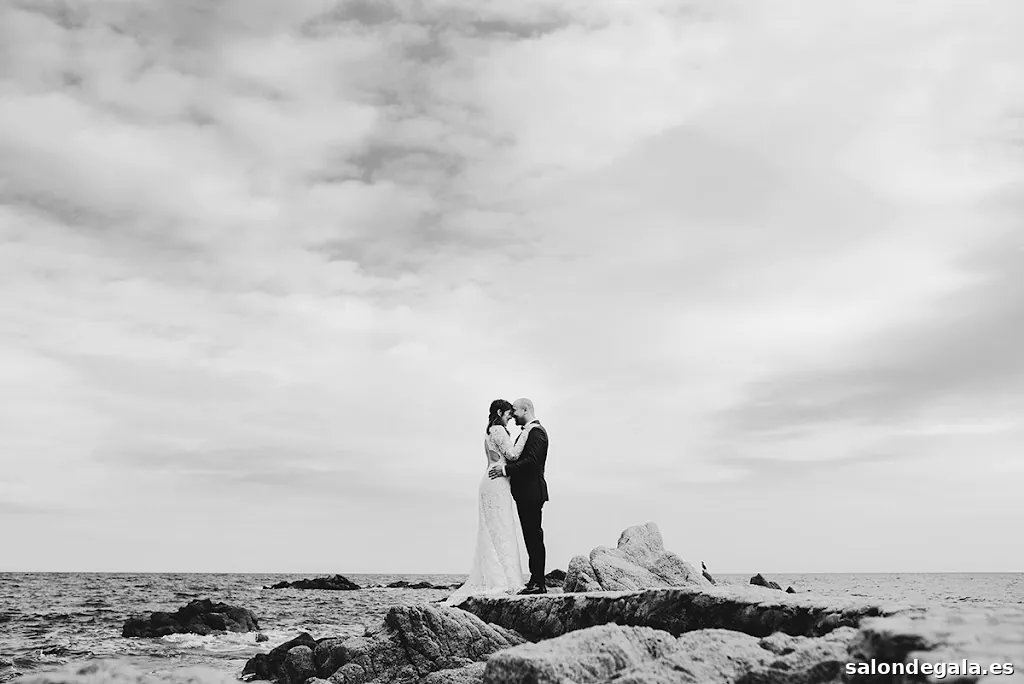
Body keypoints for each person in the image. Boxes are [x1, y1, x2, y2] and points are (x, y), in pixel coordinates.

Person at [445, 400, 531, 605]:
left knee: (495, 531)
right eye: (508, 414)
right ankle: (505, 581)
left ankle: (500, 578)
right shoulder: (498, 430)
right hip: (496, 483)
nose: (510, 418)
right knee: (502, 529)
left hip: (491, 481)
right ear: (500, 412)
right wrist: (526, 433)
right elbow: (512, 455)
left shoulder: (489, 431)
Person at [488, 397, 549, 594]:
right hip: (525, 493)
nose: (513, 414)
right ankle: (535, 580)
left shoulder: (537, 432)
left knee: (534, 537)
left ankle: (539, 583)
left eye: (515, 410)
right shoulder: (527, 432)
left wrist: (505, 470)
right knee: (530, 537)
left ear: (526, 409)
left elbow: (532, 462)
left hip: (532, 492)